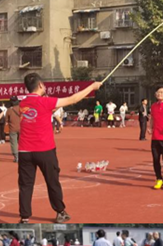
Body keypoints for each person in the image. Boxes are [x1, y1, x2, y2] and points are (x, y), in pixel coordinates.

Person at [17, 73, 101, 222]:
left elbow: (38, 114)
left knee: (25, 185)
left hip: (24, 150)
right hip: (44, 150)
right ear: (40, 85)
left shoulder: (23, 103)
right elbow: (73, 99)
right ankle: (60, 212)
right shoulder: (45, 101)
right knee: (52, 181)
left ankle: (24, 217)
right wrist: (92, 87)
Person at [5, 97, 21, 163]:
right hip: (22, 128)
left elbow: (6, 120)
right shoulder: (21, 109)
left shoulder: (9, 110)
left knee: (14, 143)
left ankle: (16, 157)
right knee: (22, 142)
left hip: (12, 128)